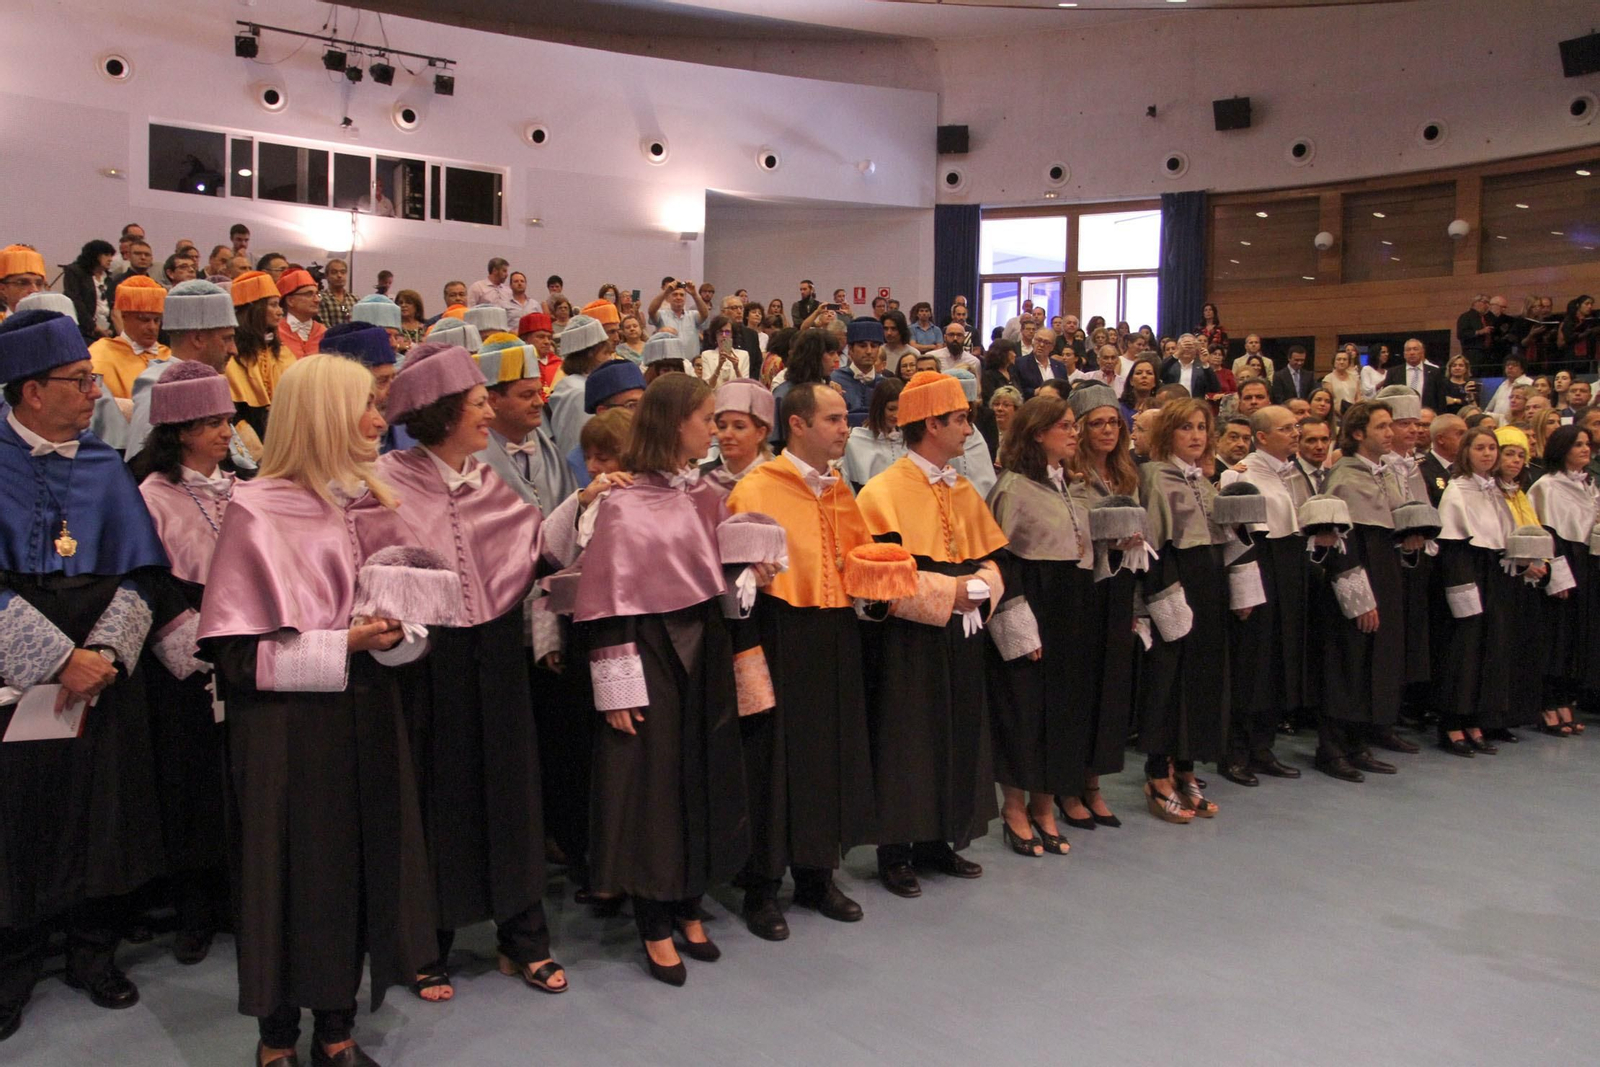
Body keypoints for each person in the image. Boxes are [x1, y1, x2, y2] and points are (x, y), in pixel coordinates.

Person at [197, 354, 432, 1067]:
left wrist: (395, 634)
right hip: (285, 734)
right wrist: (345, 642)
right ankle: (275, 1034)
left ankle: (336, 1024)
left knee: (352, 871)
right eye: (366, 406)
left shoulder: (367, 502)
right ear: (327, 416)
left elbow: (405, 614)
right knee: (284, 876)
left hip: (364, 716)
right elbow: (236, 657)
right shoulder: (256, 511)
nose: (379, 420)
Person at [354, 342, 567, 1004]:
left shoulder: (489, 482)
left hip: (495, 655)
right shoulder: (383, 483)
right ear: (444, 411)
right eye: (478, 403)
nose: (488, 413)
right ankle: (428, 941)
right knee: (432, 796)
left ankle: (522, 933)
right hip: (425, 663)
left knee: (512, 791)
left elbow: (533, 549)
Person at [0, 311, 179, 1041]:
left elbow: (143, 572)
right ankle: (13, 965)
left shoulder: (105, 464)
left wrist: (102, 654)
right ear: (33, 391)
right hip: (18, 679)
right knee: (17, 820)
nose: (94, 393)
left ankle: (93, 952)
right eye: (79, 381)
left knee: (106, 813)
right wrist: (54, 658)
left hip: (102, 674)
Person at [569, 373, 770, 986]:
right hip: (647, 646)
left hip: (704, 642)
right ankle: (652, 916)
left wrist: (749, 572)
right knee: (651, 784)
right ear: (674, 423)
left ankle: (688, 900)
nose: (714, 431)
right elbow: (607, 603)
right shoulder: (622, 503)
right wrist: (616, 691)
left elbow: (715, 575)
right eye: (706, 419)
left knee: (701, 770)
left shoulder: (706, 494)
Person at [724, 383, 875, 939]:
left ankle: (816, 874)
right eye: (833, 419)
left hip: (835, 632)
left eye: (845, 419)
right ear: (798, 425)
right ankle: (761, 887)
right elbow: (737, 582)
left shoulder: (840, 489)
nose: (844, 428)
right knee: (772, 762)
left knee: (827, 755)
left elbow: (857, 559)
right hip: (779, 631)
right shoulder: (757, 488)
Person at [856, 370, 1006, 898]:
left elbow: (992, 556)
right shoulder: (883, 491)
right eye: (960, 419)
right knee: (907, 740)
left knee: (957, 731)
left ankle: (940, 838)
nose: (969, 428)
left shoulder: (961, 488)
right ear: (931, 425)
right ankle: (895, 849)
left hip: (962, 632)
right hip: (908, 640)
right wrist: (950, 593)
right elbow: (875, 580)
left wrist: (985, 585)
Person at [130, 361, 239, 966]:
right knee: (191, 780)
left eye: (227, 419)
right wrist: (196, 646)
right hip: (188, 650)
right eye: (212, 422)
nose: (226, 431)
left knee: (240, 775)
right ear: (179, 430)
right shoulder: (150, 496)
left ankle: (238, 898)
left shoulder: (246, 486)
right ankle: (194, 911)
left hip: (244, 642)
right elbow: (150, 577)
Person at [1136, 398, 1262, 821]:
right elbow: (1153, 545)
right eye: (1185, 427)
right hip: (1175, 583)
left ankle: (1187, 767)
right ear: (1167, 433)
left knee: (1203, 679)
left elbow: (1224, 540)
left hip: (1209, 586)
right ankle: (1158, 773)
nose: (1195, 436)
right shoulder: (1154, 477)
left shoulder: (1205, 481)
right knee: (1168, 682)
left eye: (1202, 428)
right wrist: (1162, 599)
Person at [984, 393, 1091, 858]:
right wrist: (1019, 627)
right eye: (1065, 425)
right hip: (1030, 603)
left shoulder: (1068, 483)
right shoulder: (1011, 489)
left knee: (1062, 708)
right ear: (1037, 433)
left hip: (1069, 603)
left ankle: (1045, 805)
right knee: (1022, 708)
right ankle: (1014, 807)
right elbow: (999, 560)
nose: (1074, 433)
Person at [1217, 405, 1332, 785]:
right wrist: (1243, 591)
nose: (1295, 434)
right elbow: (1236, 538)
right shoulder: (1239, 474)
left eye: (1295, 427)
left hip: (1289, 569)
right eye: (1286, 429)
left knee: (1280, 661)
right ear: (1262, 437)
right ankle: (1235, 752)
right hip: (1259, 571)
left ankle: (1263, 748)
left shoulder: (1292, 473)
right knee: (1252, 665)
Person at [1316, 401, 1429, 781]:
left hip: (1385, 575)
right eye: (1381, 426)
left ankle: (1358, 743)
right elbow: (1339, 544)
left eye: (1390, 425)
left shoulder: (1384, 474)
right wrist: (1359, 600)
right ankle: (1332, 749)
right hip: (1356, 582)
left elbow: (1389, 532)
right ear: (1358, 433)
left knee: (1374, 663)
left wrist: (1408, 545)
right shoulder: (1345, 476)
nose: (1390, 432)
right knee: (1347, 664)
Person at [1432, 427, 1517, 755]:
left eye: (1492, 448)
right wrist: (1463, 590)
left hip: (1493, 573)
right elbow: (1452, 545)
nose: (1487, 454)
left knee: (1488, 649)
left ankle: (1475, 720)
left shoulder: (1494, 490)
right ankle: (1452, 723)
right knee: (1463, 652)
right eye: (1480, 448)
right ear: (1466, 451)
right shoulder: (1458, 489)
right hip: (1466, 573)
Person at [1527, 425, 1596, 737]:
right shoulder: (1547, 486)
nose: (1585, 449)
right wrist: (1558, 577)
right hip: (1562, 562)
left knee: (1576, 638)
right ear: (1562, 449)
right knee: (1556, 636)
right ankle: (1547, 703)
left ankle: (1566, 698)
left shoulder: (1588, 486)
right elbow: (1546, 533)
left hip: (1586, 563)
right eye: (1577, 444)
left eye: (1587, 443)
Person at [124, 280, 238, 462]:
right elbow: (144, 463)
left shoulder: (210, 381)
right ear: (198, 339)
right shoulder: (161, 387)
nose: (234, 350)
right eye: (227, 339)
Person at [474, 337, 577, 513]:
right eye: (527, 395)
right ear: (493, 400)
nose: (539, 402)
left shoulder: (550, 451)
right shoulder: (472, 460)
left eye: (539, 392)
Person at [224, 270, 296, 449]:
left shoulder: (282, 352)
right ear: (254, 309)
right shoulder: (231, 357)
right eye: (273, 305)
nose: (280, 312)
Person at [89, 275, 169, 400]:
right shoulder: (100, 355)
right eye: (144, 320)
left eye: (157, 320)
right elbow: (95, 403)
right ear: (124, 317)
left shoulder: (168, 355)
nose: (152, 327)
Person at [544, 314, 609, 457]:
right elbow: (579, 449)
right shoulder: (580, 392)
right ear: (591, 354)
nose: (609, 358)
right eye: (605, 353)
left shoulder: (577, 385)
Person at [702, 378, 773, 494]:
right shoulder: (701, 481)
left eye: (739, 427)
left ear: (760, 433)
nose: (727, 435)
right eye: (722, 426)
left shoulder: (779, 482)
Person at [842, 377, 904, 491]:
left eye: (901, 409)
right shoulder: (854, 442)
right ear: (879, 408)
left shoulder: (908, 440)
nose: (896, 415)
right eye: (891, 409)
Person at [829, 319, 883, 426]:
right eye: (862, 346)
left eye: (874, 346)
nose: (869, 351)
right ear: (850, 349)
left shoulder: (884, 385)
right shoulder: (834, 379)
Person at [62, 239, 115, 343]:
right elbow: (75, 301)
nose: (110, 259)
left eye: (111, 256)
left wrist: (112, 329)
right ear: (94, 255)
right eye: (106, 255)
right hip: (84, 331)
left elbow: (114, 306)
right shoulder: (75, 272)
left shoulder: (109, 279)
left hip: (107, 332)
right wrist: (93, 327)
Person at [1384, 338, 1446, 411]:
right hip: (1401, 413)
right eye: (1408, 350)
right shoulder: (1393, 372)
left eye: (1415, 349)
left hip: (1427, 413)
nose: (1412, 353)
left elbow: (1441, 398)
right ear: (1404, 354)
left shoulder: (1435, 372)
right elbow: (1386, 396)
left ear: (1422, 352)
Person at [1419, 414, 1467, 507]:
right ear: (1440, 439)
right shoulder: (1421, 470)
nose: (1466, 439)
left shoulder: (1467, 467)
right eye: (1460, 434)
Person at [275, 269, 324, 358]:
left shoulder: (324, 332)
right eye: (309, 294)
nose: (317, 300)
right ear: (290, 301)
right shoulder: (275, 333)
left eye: (317, 294)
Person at [1014, 327, 1070, 400]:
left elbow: (1065, 390)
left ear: (1052, 347)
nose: (1041, 345)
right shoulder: (1020, 364)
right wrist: (1034, 392)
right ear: (1033, 341)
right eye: (1039, 340)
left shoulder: (1060, 367)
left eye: (1046, 342)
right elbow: (1017, 391)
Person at [1485, 355, 1534, 421]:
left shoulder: (1529, 383)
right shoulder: (1503, 385)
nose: (1510, 367)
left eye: (1514, 365)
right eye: (1508, 365)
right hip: (1498, 422)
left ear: (1522, 369)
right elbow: (1490, 408)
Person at [316, 259, 356, 327]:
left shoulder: (354, 298)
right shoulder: (320, 298)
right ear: (327, 276)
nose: (339, 275)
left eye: (343, 272)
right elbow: (324, 326)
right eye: (334, 272)